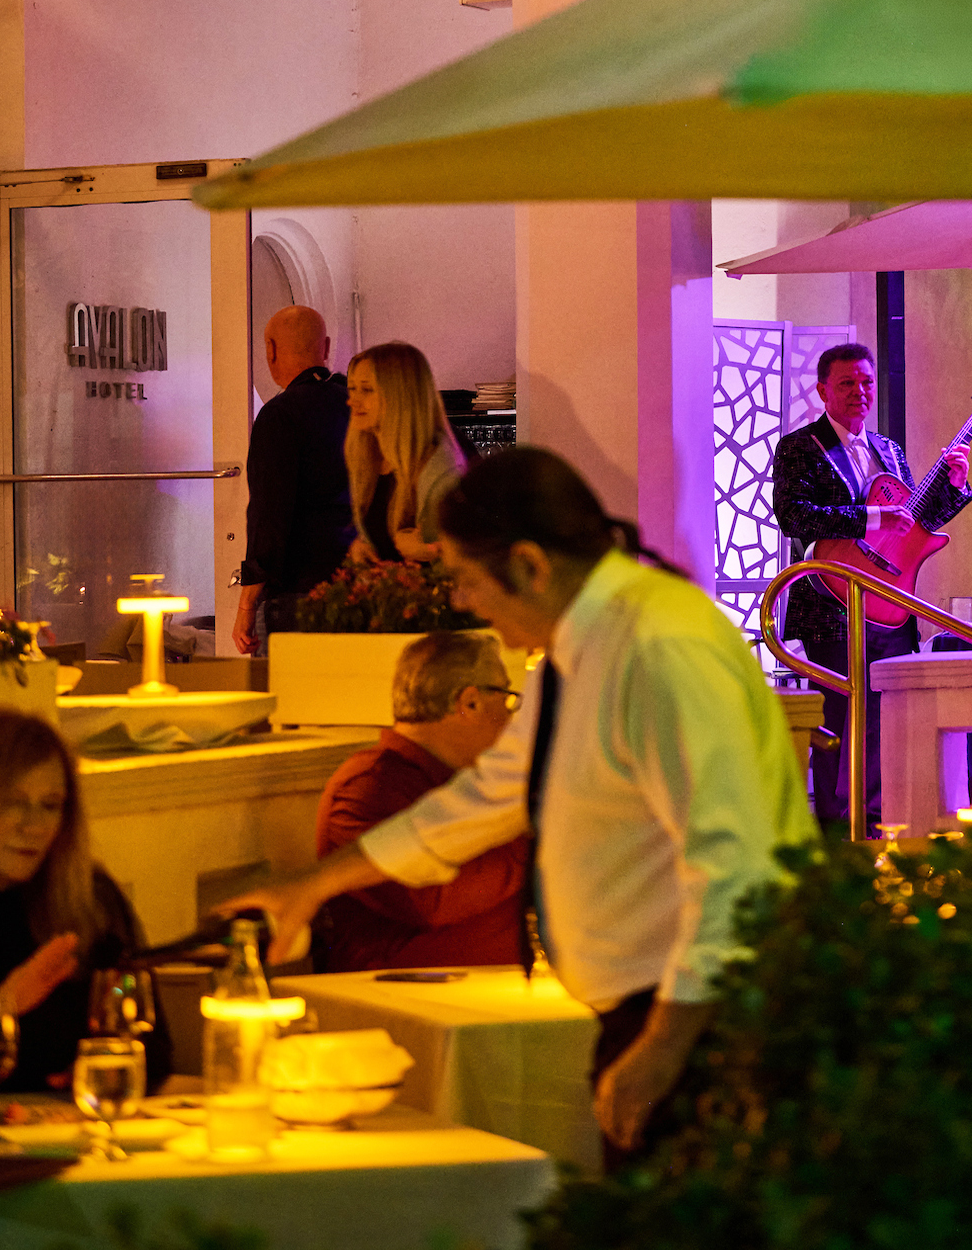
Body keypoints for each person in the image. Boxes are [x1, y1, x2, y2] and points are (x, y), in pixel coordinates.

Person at [221, 448, 816, 1169]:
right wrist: (309, 887)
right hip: (649, 1013)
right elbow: (487, 796)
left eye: (469, 580)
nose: (464, 602)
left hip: (710, 1022)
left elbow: (735, 867)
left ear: (531, 565)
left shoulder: (660, 647)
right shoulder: (575, 650)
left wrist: (665, 1045)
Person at [770, 342, 971, 830]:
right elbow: (793, 516)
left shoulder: (889, 450)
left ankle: (882, 820)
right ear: (822, 390)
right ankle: (835, 830)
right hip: (830, 599)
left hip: (890, 601)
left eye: (866, 382)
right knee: (837, 718)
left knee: (887, 716)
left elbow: (914, 527)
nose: (859, 392)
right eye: (846, 383)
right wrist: (872, 516)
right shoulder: (800, 446)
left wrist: (954, 487)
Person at [313, 631, 527, 972]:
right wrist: (528, 835)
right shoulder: (369, 786)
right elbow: (431, 900)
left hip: (500, 993)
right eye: (506, 696)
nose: (511, 715)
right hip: (404, 1000)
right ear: (469, 703)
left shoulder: (472, 782)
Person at [0, 710, 171, 1092]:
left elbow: (153, 1044)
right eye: (14, 801)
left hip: (76, 1131)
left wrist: (104, 1069)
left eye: (51, 804)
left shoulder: (88, 900)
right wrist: (0, 1008)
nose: (34, 825)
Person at [234, 306, 352, 656]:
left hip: (299, 590)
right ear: (326, 347)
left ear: (270, 349)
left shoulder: (280, 416)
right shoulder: (357, 405)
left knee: (293, 703)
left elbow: (270, 517)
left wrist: (246, 604)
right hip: (358, 586)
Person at [347, 342, 466, 566]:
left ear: (400, 395)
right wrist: (363, 546)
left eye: (367, 389)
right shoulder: (370, 457)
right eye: (352, 389)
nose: (352, 401)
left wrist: (430, 552)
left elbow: (466, 561)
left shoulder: (440, 470)